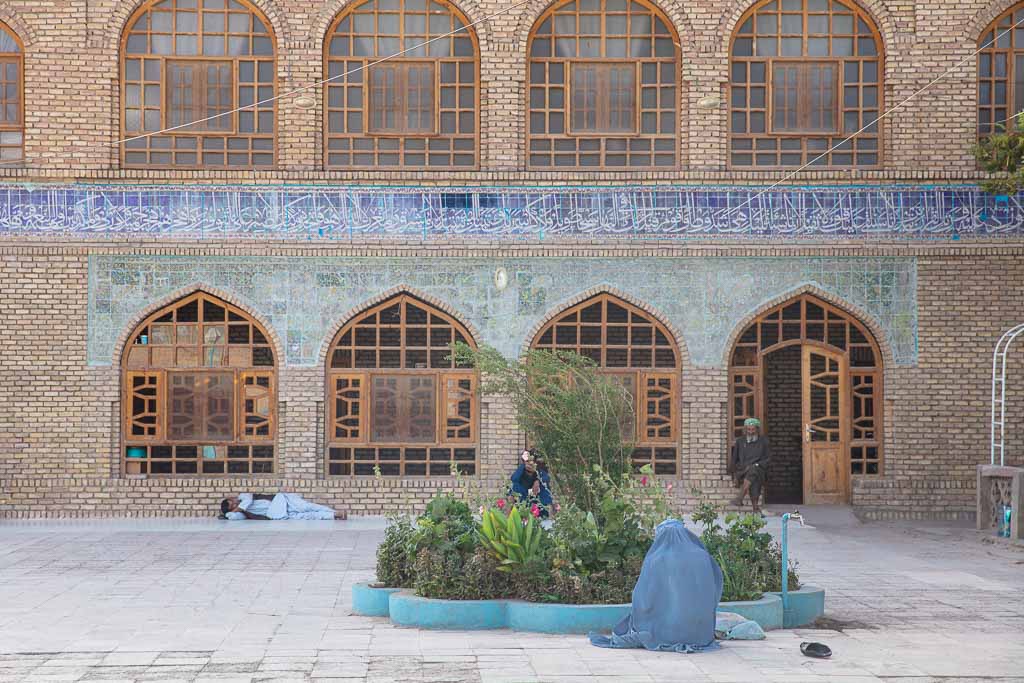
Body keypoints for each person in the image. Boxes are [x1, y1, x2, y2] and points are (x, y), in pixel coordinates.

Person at [589, 519, 723, 652]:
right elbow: (716, 588)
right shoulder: (702, 556)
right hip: (700, 634)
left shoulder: (656, 559)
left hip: (666, 632)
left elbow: (643, 598)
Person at [730, 417, 771, 515]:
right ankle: (755, 508)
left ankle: (740, 497)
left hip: (759, 468)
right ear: (745, 430)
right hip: (743, 469)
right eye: (748, 429)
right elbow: (734, 458)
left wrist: (758, 464)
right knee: (753, 476)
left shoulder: (764, 441)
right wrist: (734, 474)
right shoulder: (740, 441)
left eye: (753, 429)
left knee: (754, 470)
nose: (751, 432)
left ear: (757, 429)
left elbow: (768, 458)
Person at [219, 492, 337, 520]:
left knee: (306, 506)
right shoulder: (240, 512)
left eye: (233, 502)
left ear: (232, 498)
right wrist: (229, 513)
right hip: (278, 513)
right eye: (232, 505)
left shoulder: (243, 497)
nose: (235, 504)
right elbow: (232, 517)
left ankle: (334, 511)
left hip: (282, 501)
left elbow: (248, 500)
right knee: (306, 516)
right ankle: (334, 515)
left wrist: (236, 508)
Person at [510, 450, 553, 516]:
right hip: (524, 499)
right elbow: (514, 478)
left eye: (531, 461)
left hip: (537, 500)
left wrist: (537, 481)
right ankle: (516, 514)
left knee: (544, 487)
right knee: (514, 486)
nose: (529, 464)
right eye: (527, 461)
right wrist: (523, 466)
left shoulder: (539, 472)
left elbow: (546, 478)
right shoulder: (521, 471)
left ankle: (546, 515)